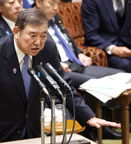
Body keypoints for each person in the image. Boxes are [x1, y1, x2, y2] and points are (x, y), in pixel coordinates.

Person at [0, 8, 120, 144]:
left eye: (43, 35)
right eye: (32, 35)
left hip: (34, 132)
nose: (38, 42)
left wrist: (89, 116)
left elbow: (63, 86)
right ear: (16, 32)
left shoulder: (48, 50)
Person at [34, 0, 123, 141]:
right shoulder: (33, 23)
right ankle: (93, 130)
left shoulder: (55, 17)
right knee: (94, 84)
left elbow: (68, 40)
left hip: (76, 63)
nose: (56, 8)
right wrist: (58, 63)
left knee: (120, 75)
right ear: (38, 3)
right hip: (62, 68)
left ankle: (111, 118)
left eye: (57, 4)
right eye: (51, 4)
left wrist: (80, 53)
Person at [81, 0, 131, 72]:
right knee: (125, 64)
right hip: (105, 49)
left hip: (127, 45)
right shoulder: (92, 1)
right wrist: (113, 49)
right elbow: (92, 34)